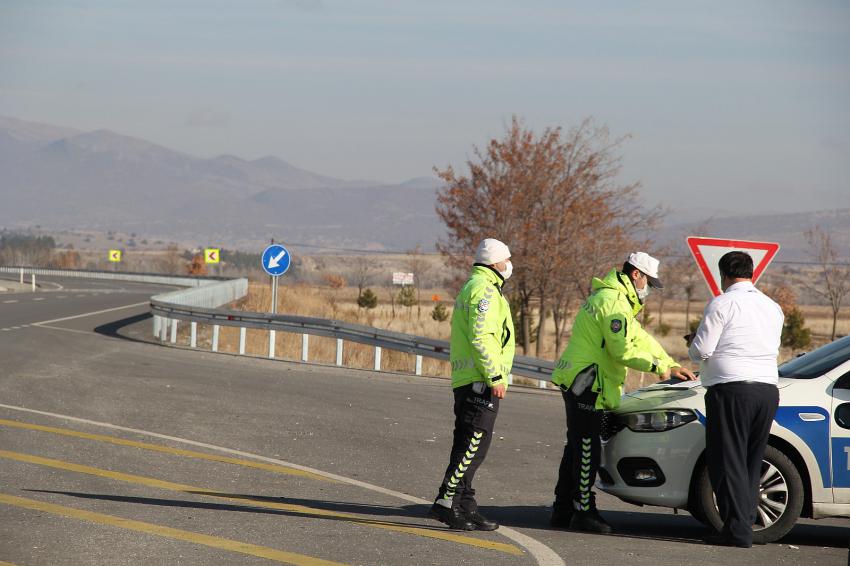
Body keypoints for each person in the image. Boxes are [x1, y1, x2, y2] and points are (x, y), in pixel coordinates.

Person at [550, 252, 697, 533]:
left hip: (583, 381)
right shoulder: (614, 302)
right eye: (648, 283)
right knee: (587, 449)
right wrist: (659, 368)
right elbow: (622, 349)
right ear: (636, 275)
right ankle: (583, 511)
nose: (649, 290)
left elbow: (639, 337)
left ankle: (563, 509)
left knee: (577, 448)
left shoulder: (616, 300)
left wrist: (669, 362)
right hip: (587, 383)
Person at [687, 251, 784, 548]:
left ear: (723, 275)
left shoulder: (722, 303)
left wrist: (692, 344)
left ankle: (737, 531)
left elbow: (701, 350)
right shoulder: (773, 307)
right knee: (751, 462)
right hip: (767, 388)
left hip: (731, 388)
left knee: (727, 460)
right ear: (752, 273)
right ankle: (744, 526)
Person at [428, 238, 515, 531]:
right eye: (506, 260)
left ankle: (465, 504)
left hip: (473, 380)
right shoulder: (484, 291)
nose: (509, 265)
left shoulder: (477, 287)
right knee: (472, 446)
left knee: (471, 445)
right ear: (494, 263)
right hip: (480, 382)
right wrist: (495, 376)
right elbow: (482, 337)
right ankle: (446, 502)